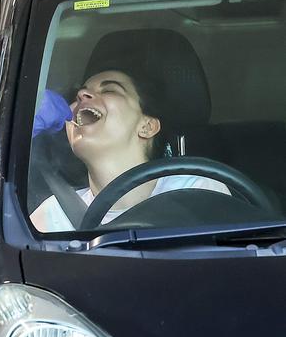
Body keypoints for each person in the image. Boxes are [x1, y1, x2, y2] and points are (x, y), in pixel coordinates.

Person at [30, 69, 229, 232]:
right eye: (78, 95)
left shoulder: (197, 192)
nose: (82, 95)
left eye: (110, 90)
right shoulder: (51, 216)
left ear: (147, 126)